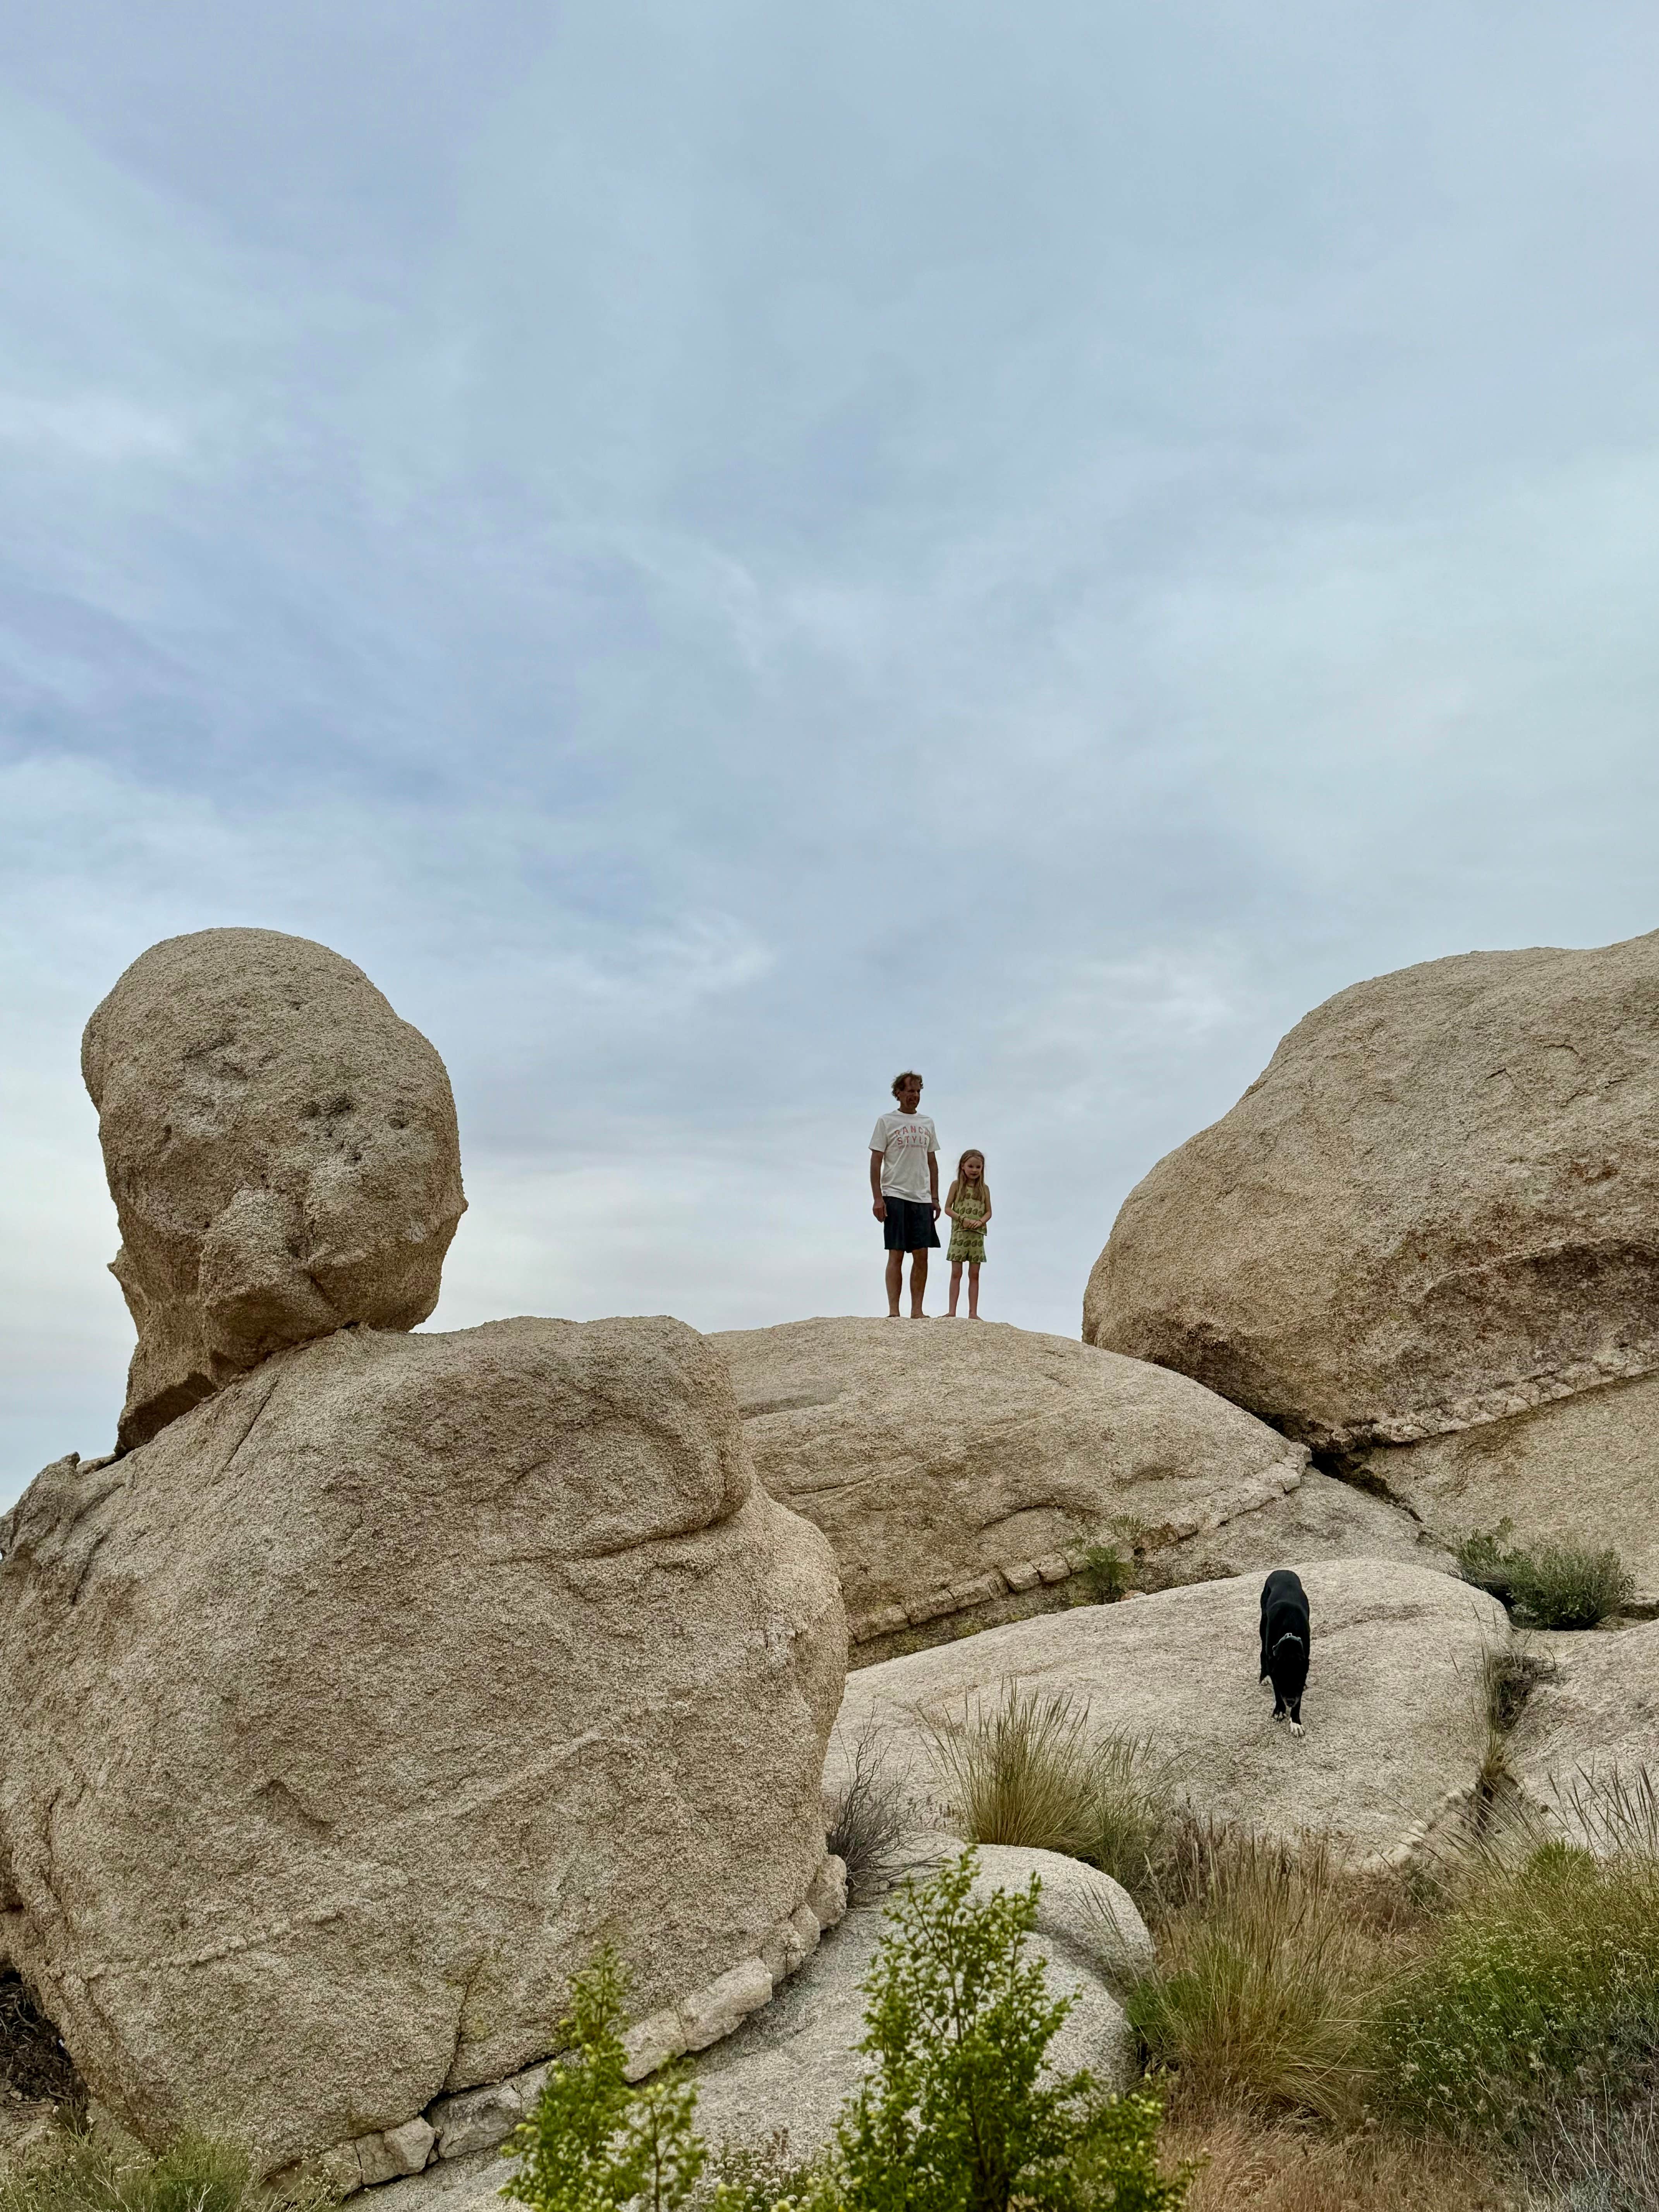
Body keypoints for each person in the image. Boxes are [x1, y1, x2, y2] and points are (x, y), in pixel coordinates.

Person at [869, 1070, 939, 1318]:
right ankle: (894, 1311)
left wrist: (935, 1198)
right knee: (896, 1253)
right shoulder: (886, 1121)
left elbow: (932, 1162)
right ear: (898, 1093)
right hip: (895, 1194)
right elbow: (876, 1160)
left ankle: (917, 1311)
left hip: (921, 1197)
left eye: (919, 1091)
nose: (915, 1096)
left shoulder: (927, 1123)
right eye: (910, 1091)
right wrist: (878, 1198)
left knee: (922, 1255)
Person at [944, 1149, 991, 1318]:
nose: (974, 1170)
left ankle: (973, 1313)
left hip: (977, 1236)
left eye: (978, 1167)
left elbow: (989, 1212)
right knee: (956, 1273)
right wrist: (962, 1218)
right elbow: (948, 1208)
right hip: (960, 1234)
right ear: (963, 1166)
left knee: (975, 1274)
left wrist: (981, 1221)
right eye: (971, 1166)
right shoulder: (956, 1186)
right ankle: (952, 1311)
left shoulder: (984, 1189)